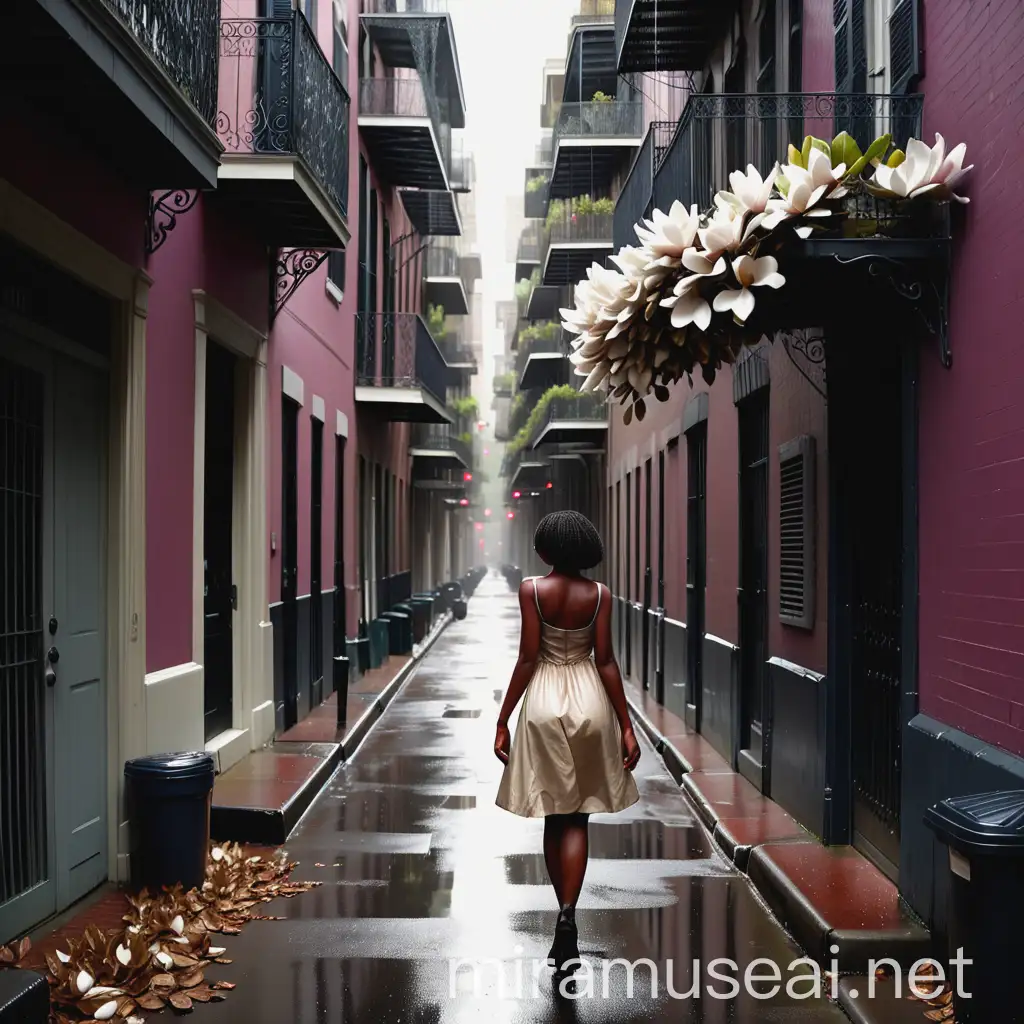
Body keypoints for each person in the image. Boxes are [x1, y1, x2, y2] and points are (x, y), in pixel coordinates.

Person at [494, 510, 641, 978]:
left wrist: (502, 719)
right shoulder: (600, 595)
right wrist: (626, 724)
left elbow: (527, 657)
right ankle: (569, 913)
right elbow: (607, 661)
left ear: (546, 551)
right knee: (579, 817)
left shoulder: (532, 591)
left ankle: (561, 911)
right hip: (591, 705)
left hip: (542, 704)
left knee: (553, 816)